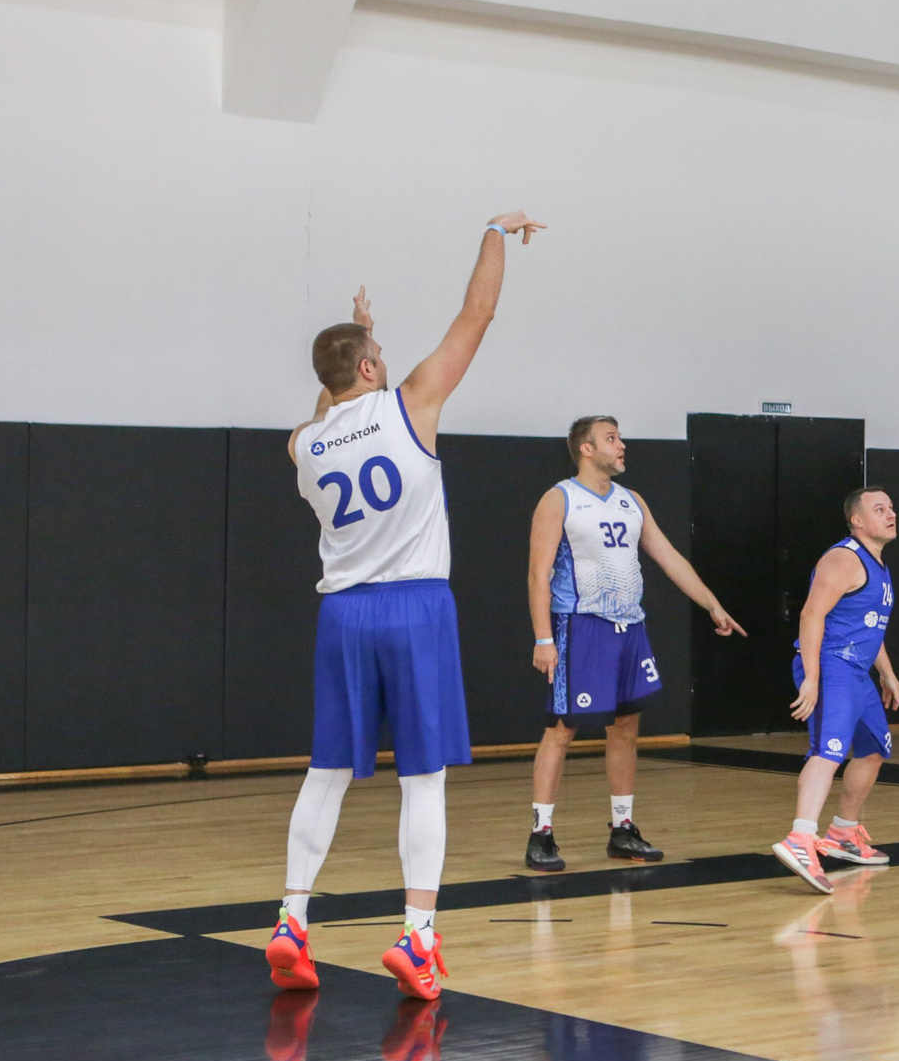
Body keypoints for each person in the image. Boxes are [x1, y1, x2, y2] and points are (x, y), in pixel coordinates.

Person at [266, 212, 543, 1002]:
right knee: (423, 780)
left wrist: (352, 341)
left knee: (326, 772)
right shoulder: (409, 403)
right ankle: (417, 936)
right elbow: (477, 313)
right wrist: (493, 229)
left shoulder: (304, 444)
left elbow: (323, 415)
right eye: (377, 356)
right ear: (371, 367)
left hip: (343, 613)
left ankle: (291, 920)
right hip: (415, 606)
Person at [523, 415, 746, 871]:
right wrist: (543, 637)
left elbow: (668, 557)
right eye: (611, 438)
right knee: (562, 729)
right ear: (586, 449)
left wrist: (712, 604)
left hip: (629, 627)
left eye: (619, 437)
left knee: (625, 728)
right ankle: (540, 833)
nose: (621, 445)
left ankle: (622, 829)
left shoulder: (631, 501)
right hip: (579, 626)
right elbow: (538, 573)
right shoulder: (559, 498)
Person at [771, 488, 899, 892]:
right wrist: (811, 677)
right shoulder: (843, 558)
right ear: (857, 521)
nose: (890, 513)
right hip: (831, 667)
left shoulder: (877, 565)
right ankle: (800, 837)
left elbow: (869, 627)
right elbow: (812, 614)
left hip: (858, 672)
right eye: (879, 509)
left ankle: (844, 833)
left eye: (891, 507)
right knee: (828, 751)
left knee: (874, 749)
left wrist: (887, 673)